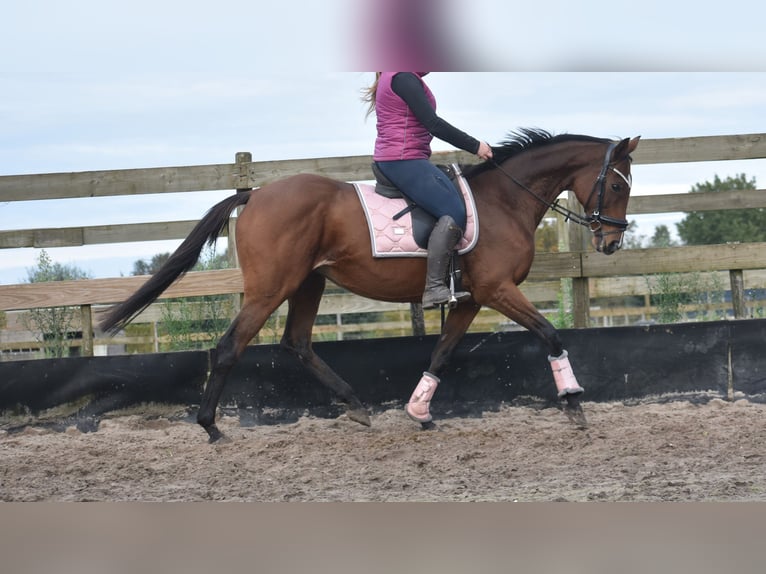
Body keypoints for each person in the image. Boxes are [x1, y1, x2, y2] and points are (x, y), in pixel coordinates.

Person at [362, 72, 494, 309]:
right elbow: (432, 123)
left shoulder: (400, 75)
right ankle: (434, 288)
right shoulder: (402, 77)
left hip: (402, 158)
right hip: (402, 159)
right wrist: (476, 146)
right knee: (454, 211)